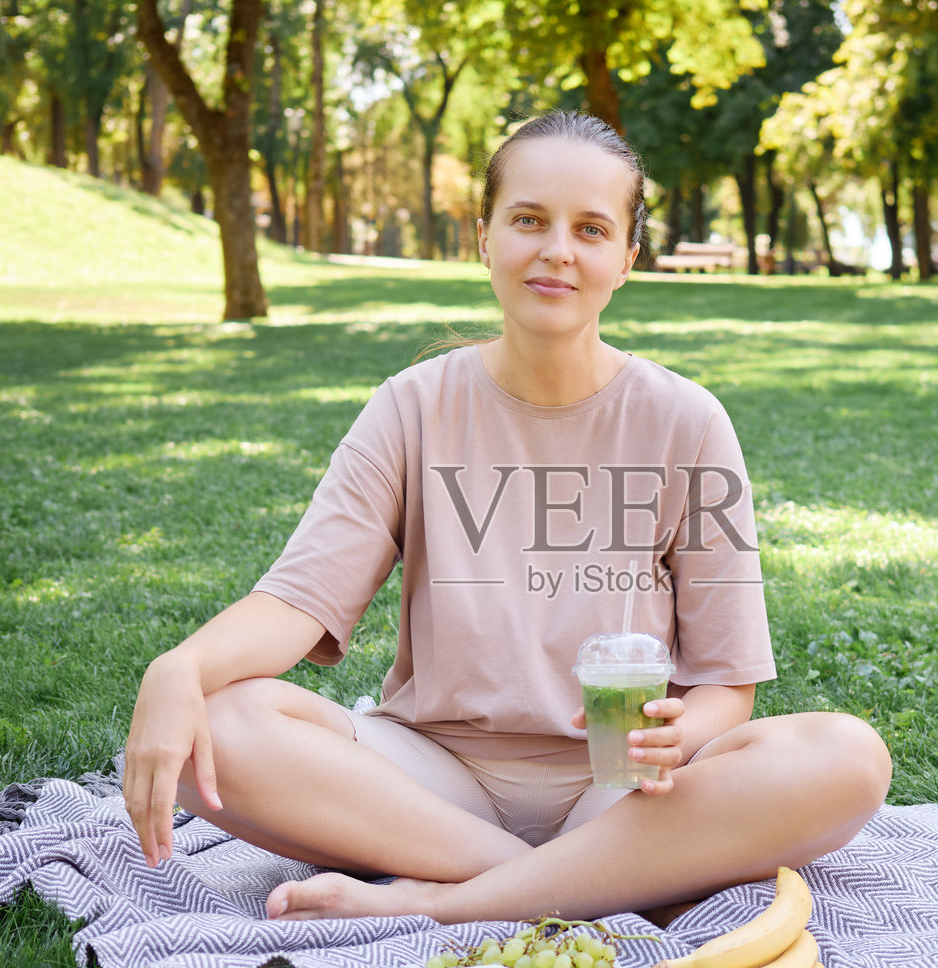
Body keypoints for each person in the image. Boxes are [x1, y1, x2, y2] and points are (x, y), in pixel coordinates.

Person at [122, 111, 892, 925]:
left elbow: (726, 685)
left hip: (620, 788)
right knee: (212, 721)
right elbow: (298, 601)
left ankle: (444, 903)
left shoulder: (689, 421)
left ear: (627, 258)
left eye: (591, 228)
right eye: (529, 219)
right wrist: (177, 668)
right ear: (484, 237)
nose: (557, 248)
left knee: (847, 756)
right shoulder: (411, 407)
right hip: (428, 782)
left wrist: (679, 731)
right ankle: (564, 883)